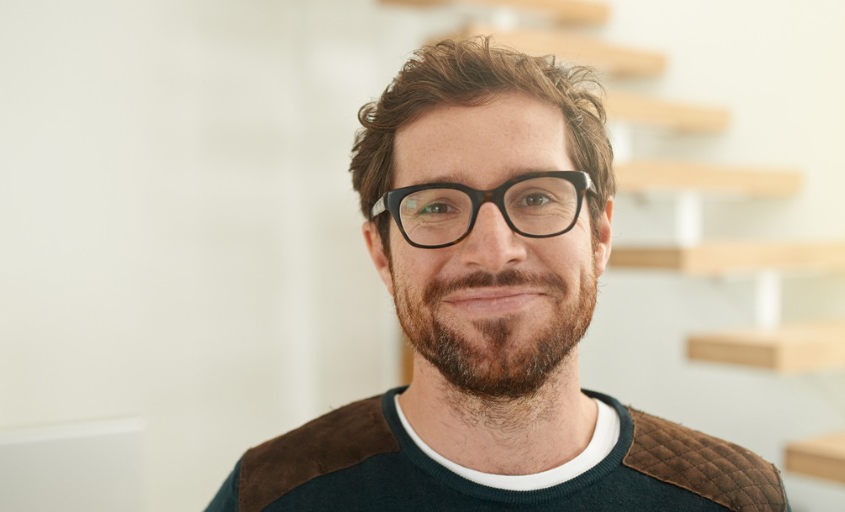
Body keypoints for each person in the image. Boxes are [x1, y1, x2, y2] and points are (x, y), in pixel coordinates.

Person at [206, 37, 790, 511]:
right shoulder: (272, 492)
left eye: (536, 197)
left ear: (601, 234)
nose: (494, 251)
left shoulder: (733, 498)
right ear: (381, 254)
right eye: (436, 206)